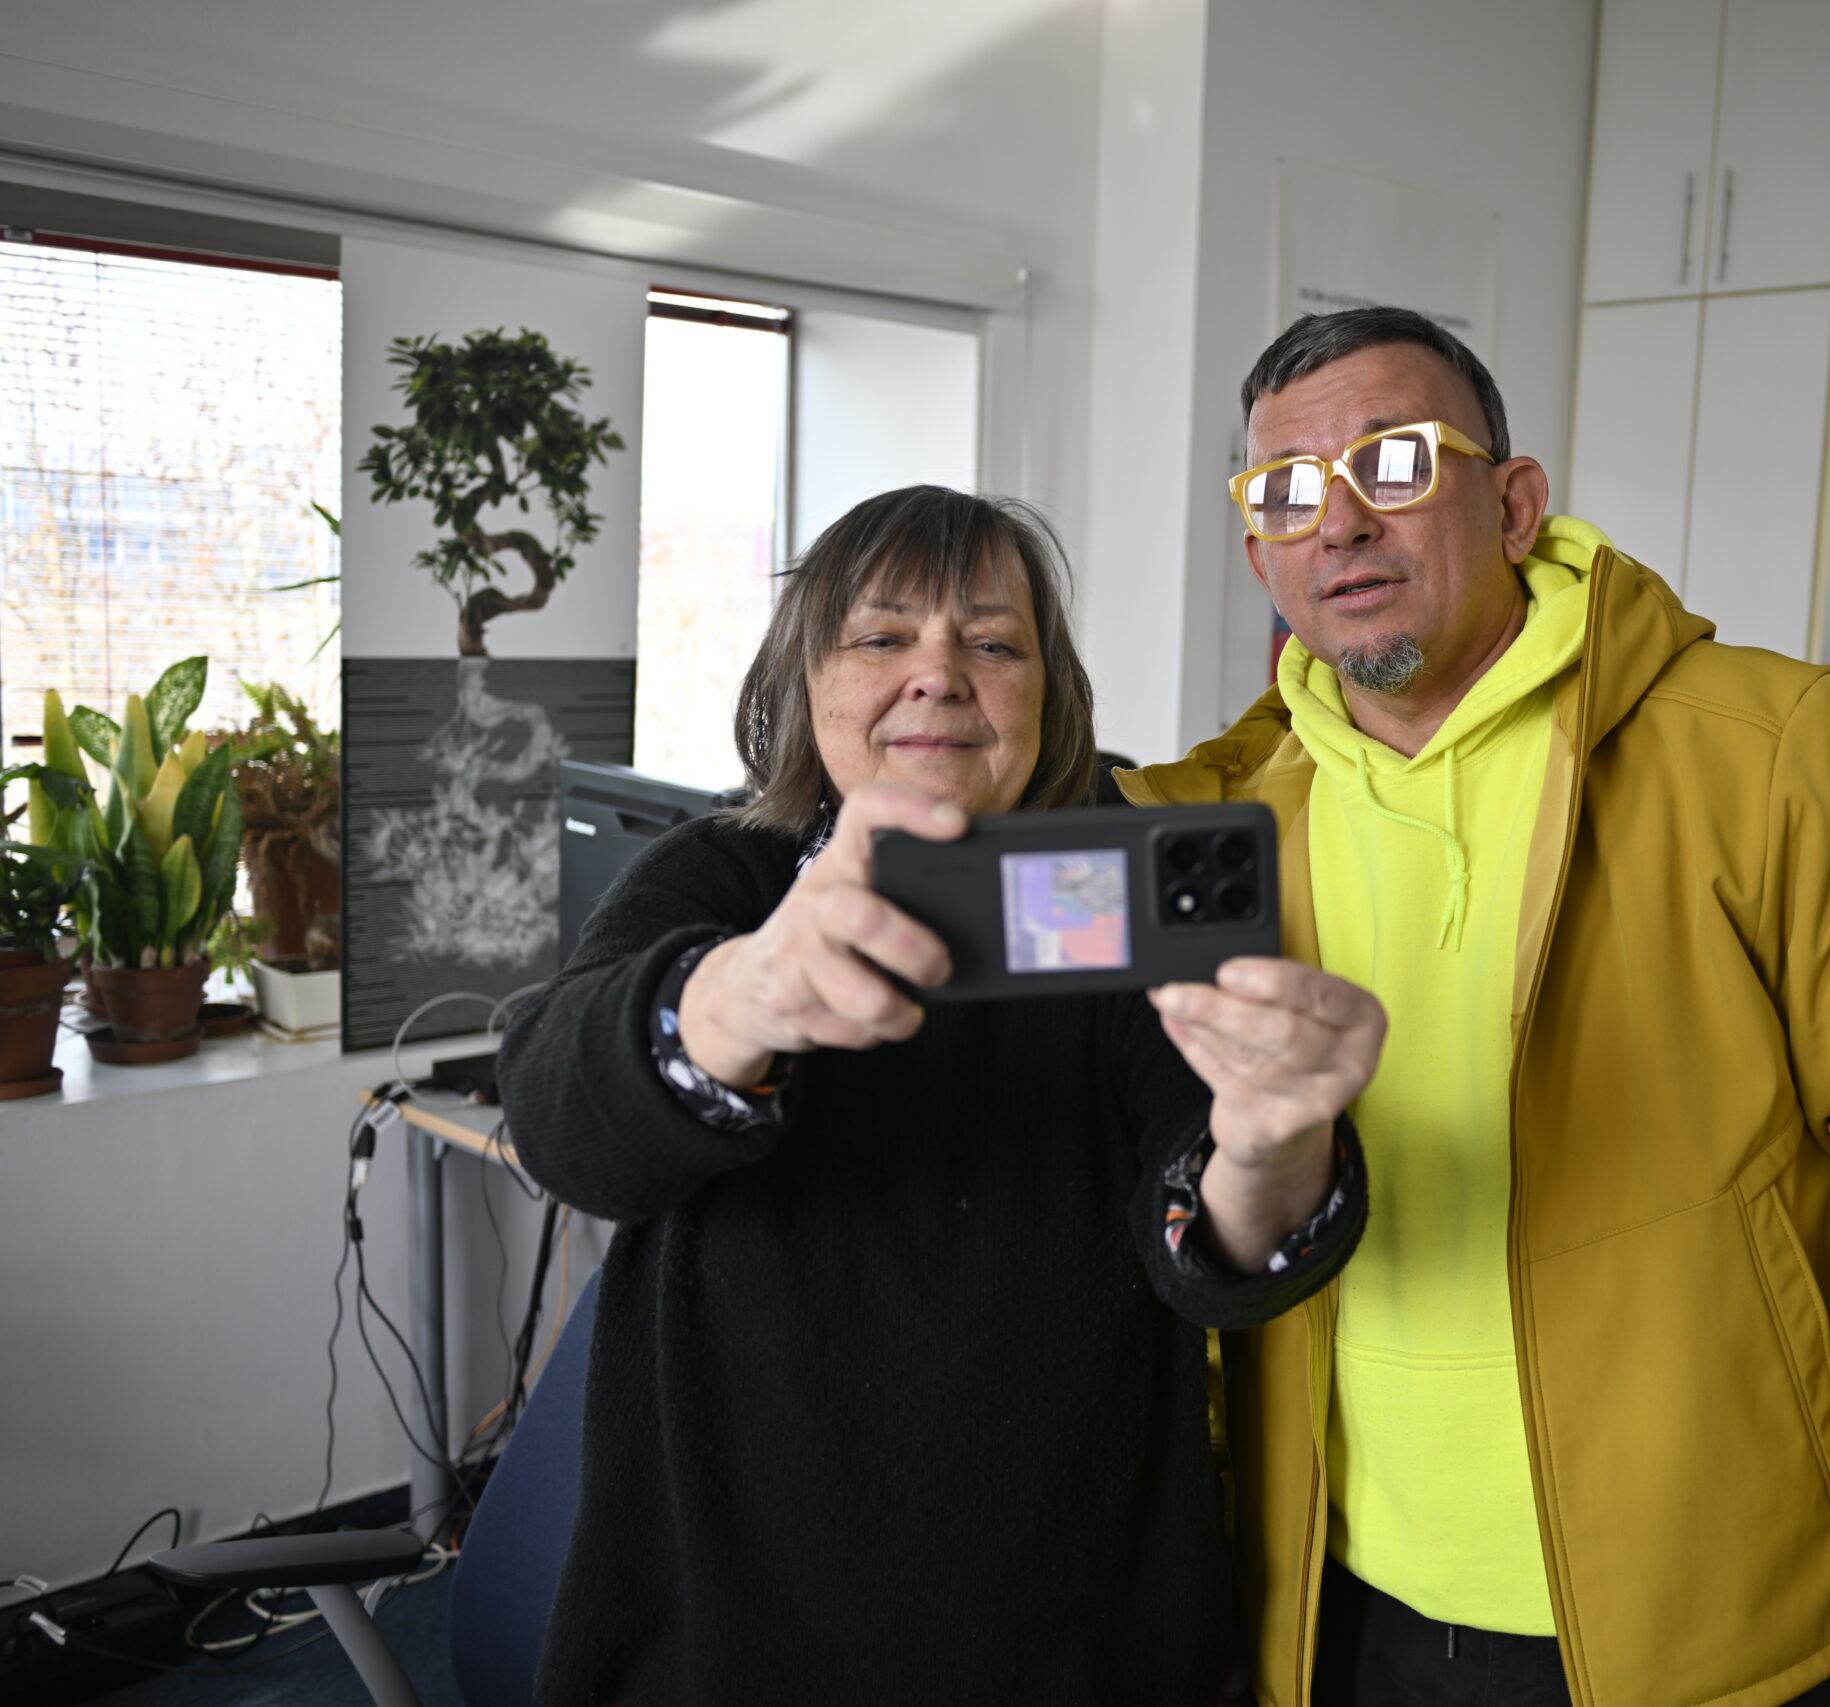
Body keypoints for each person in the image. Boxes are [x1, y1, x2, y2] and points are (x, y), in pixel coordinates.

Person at [1118, 309, 1830, 1707]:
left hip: (1703, 1598)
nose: (1339, 522)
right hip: (1334, 1603)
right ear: (1261, 554)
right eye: (1286, 491)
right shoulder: (1222, 826)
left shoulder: (1763, 748)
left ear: (1515, 506)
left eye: (1393, 463)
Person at [499, 485, 1388, 1706]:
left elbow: (1214, 1245)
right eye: (881, 637)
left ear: (1048, 693)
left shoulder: (1114, 885)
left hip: (1073, 1645)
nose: (938, 675)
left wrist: (1273, 1142)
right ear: (805, 681)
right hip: (722, 1640)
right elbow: (559, 1123)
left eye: (994, 643)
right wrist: (742, 995)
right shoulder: (721, 874)